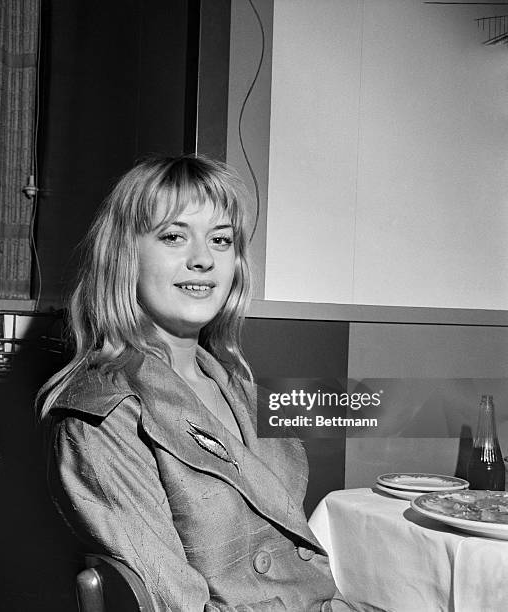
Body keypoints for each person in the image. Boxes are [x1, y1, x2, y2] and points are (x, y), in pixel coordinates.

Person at [38, 155, 353, 611]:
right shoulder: (103, 420)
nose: (203, 259)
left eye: (221, 240)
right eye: (173, 236)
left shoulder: (240, 388)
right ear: (124, 256)